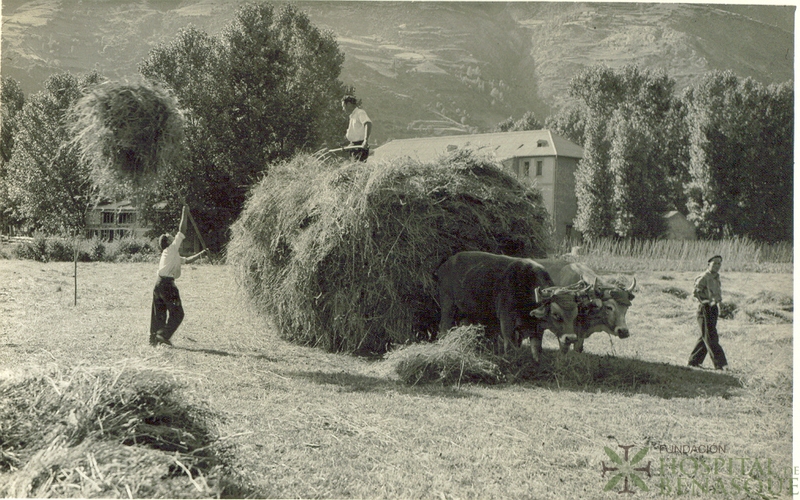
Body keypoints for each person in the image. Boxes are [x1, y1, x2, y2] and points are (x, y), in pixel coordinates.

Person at [150, 205, 206, 346]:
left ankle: (154, 339)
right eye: (169, 236)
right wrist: (184, 213)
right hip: (167, 285)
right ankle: (163, 335)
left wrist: (201, 254)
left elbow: (187, 260)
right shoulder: (171, 248)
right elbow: (182, 231)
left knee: (159, 314)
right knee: (178, 314)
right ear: (168, 242)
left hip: (158, 284)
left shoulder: (171, 254)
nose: (171, 235)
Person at [688, 255, 728, 370]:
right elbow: (696, 293)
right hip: (704, 309)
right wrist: (706, 302)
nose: (717, 266)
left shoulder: (716, 277)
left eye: (719, 263)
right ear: (708, 264)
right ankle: (721, 364)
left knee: (705, 336)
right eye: (714, 263)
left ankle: (694, 361)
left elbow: (717, 293)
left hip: (713, 309)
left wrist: (719, 303)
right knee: (711, 336)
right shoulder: (704, 277)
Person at [342, 95, 372, 161]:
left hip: (360, 146)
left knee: (359, 165)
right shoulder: (352, 116)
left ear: (349, 104)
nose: (343, 109)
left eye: (344, 106)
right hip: (354, 146)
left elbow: (368, 123)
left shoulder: (360, 113)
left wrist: (365, 140)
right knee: (353, 165)